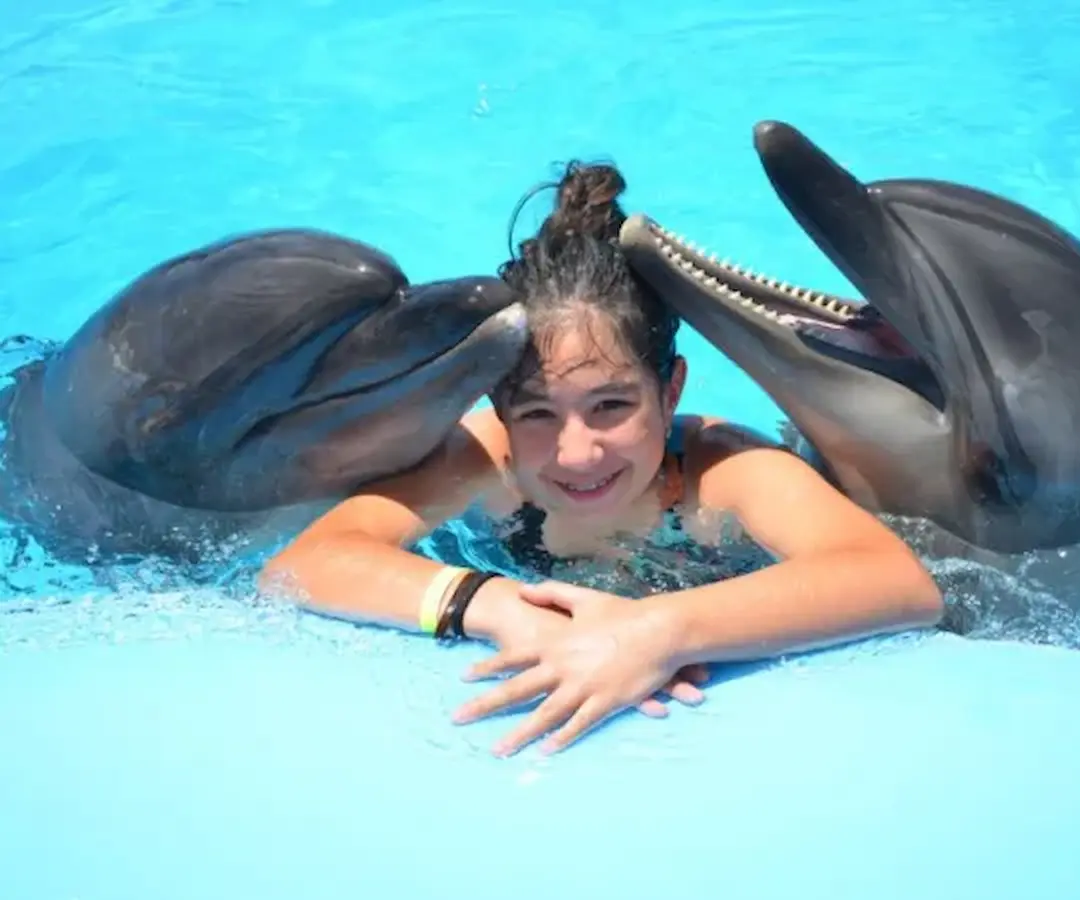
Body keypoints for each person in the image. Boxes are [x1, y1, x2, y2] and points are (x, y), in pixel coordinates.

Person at [258, 160, 945, 758]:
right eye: (537, 414)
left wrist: (657, 632)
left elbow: (897, 581)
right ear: (499, 407)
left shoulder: (720, 472)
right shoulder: (485, 462)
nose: (576, 451)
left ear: (670, 392)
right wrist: (496, 606)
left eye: (612, 406)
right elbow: (304, 564)